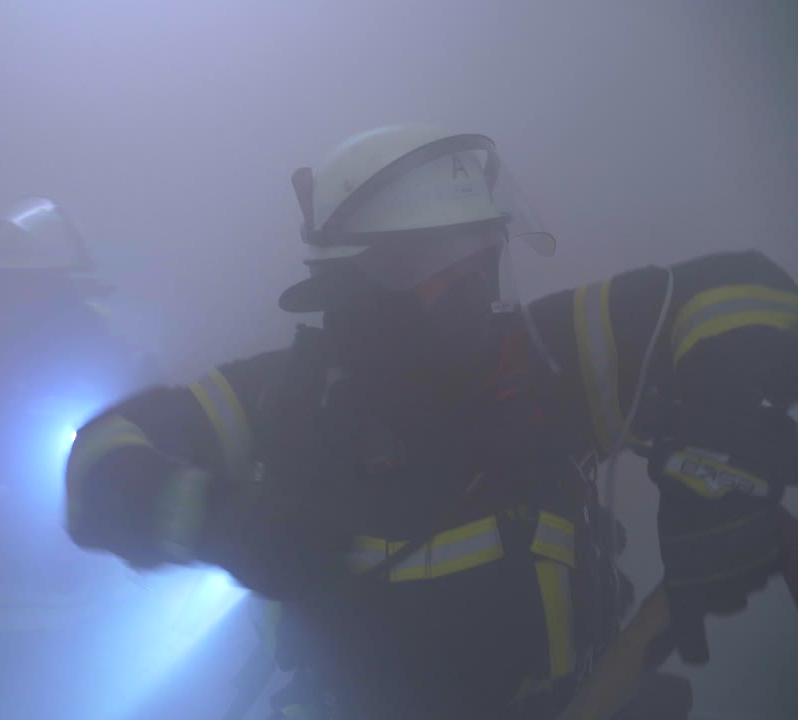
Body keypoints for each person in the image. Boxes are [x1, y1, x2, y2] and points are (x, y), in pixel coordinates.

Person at [64, 125, 798, 719]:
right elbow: (98, 460)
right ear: (344, 280)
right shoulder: (275, 399)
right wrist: (216, 521)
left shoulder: (548, 362)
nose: (461, 288)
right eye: (422, 261)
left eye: (475, 255)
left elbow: (742, 292)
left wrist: (724, 450)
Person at [0, 196, 173, 719]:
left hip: (104, 617)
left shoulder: (118, 353)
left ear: (57, 284)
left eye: (16, 283)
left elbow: (165, 454)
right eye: (1, 283)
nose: (4, 297)